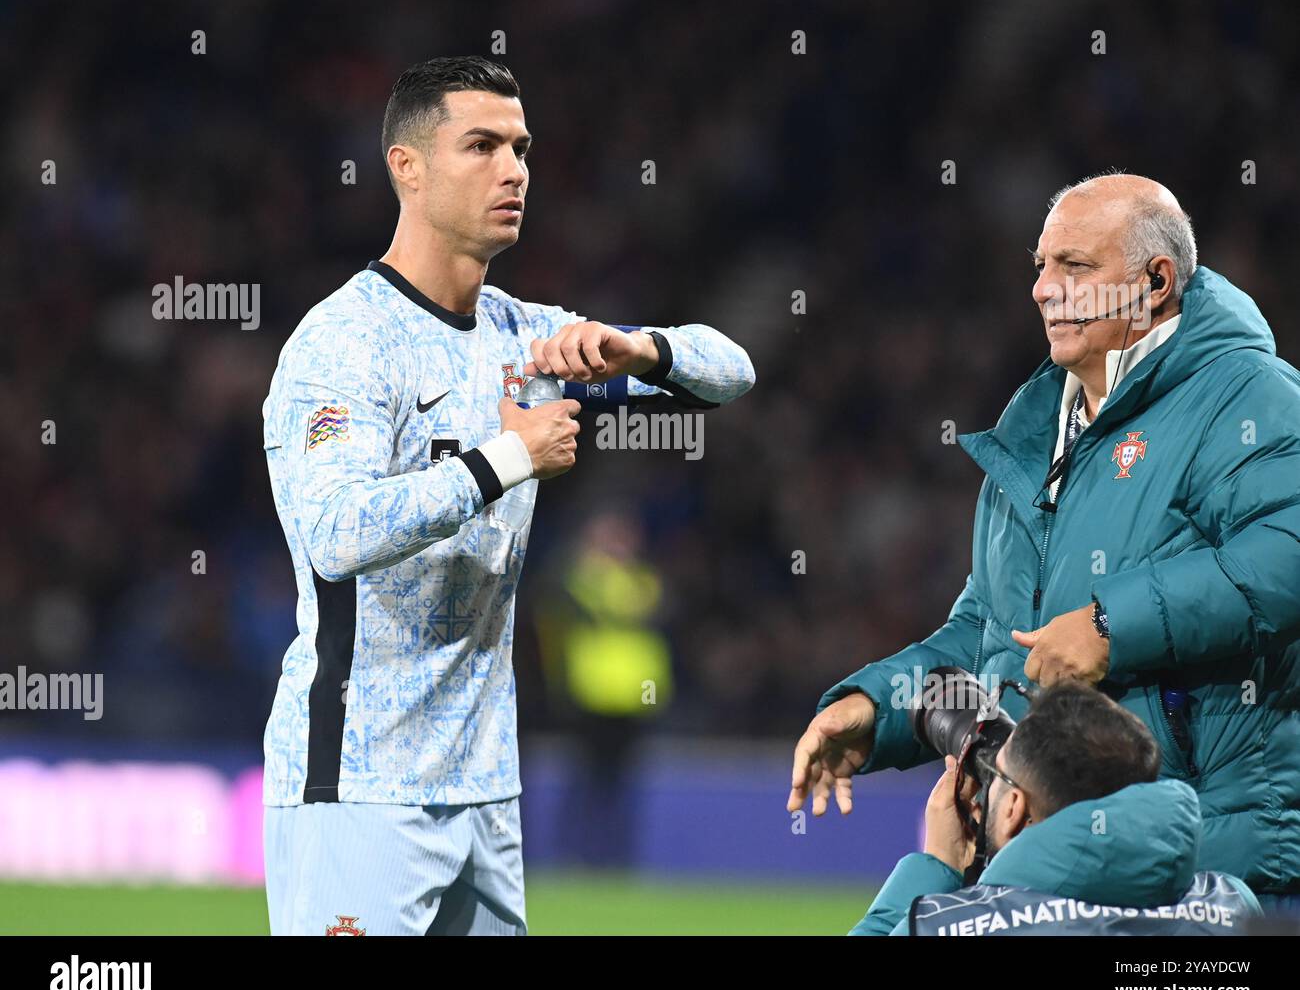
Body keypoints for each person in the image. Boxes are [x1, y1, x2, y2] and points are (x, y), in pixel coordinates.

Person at [261, 56, 755, 935]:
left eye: (522, 148)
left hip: (487, 788)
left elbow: (733, 371)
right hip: (362, 782)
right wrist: (503, 459)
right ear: (405, 168)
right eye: (482, 145)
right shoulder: (341, 345)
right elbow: (334, 533)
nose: (514, 170)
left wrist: (639, 350)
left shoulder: (526, 336)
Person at [789, 173, 1300, 904]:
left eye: (1074, 266)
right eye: (1040, 265)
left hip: (1212, 877)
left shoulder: (1248, 396)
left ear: (1155, 282)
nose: (1042, 288)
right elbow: (991, 636)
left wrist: (1108, 626)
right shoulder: (1035, 432)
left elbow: (1287, 557)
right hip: (1057, 870)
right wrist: (875, 708)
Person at [852, 682, 1261, 936]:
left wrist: (936, 865)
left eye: (1000, 777)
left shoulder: (944, 926)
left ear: (1014, 807)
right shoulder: (1233, 905)